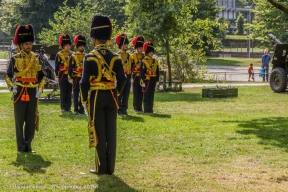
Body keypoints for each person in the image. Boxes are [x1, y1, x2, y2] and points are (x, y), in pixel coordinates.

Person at [80, 14, 126, 175]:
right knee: (111, 133)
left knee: (98, 131)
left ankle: (101, 167)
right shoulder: (116, 57)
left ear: (94, 39)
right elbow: (123, 79)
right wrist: (116, 92)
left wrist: (84, 99)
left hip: (97, 96)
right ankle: (111, 168)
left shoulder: (89, 57)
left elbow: (83, 82)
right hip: (112, 96)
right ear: (108, 39)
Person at [5, 24, 46, 154]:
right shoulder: (14, 58)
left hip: (33, 90)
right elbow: (8, 75)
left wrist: (41, 87)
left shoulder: (37, 57)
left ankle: (28, 145)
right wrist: (11, 87)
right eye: (26, 43)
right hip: (20, 90)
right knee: (19, 120)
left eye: (30, 43)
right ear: (21, 44)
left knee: (30, 119)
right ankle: (21, 147)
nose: (29, 46)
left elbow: (42, 76)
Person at [55, 34, 73, 112]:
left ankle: (68, 106)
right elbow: (56, 66)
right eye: (66, 45)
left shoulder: (72, 54)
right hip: (62, 74)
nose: (68, 47)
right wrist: (56, 75)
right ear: (63, 46)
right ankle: (63, 106)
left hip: (70, 75)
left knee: (69, 91)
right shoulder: (59, 55)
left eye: (69, 45)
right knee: (63, 91)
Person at [68, 34, 86, 115]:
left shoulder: (86, 56)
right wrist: (72, 76)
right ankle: (75, 109)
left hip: (84, 77)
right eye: (80, 46)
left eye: (83, 46)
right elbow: (70, 68)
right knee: (75, 94)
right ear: (77, 47)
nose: (82, 47)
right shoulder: (73, 56)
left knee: (83, 93)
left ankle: (81, 108)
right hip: (76, 77)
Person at [140, 42, 159, 113]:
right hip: (146, 79)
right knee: (146, 94)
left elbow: (157, 72)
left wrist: (157, 80)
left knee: (151, 95)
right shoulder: (144, 61)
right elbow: (141, 72)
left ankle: (150, 109)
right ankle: (146, 109)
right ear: (147, 52)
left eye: (152, 52)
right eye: (150, 52)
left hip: (153, 79)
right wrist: (142, 81)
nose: (152, 54)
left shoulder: (155, 61)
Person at [115, 34, 132, 115]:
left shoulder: (129, 56)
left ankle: (124, 109)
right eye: (124, 44)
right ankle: (119, 109)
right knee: (119, 93)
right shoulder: (117, 55)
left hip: (128, 76)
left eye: (126, 44)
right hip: (120, 77)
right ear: (120, 45)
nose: (126, 46)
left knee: (126, 93)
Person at [131, 36, 145, 112]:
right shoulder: (132, 56)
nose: (141, 49)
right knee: (136, 92)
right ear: (136, 48)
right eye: (140, 48)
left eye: (142, 48)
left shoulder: (145, 56)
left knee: (142, 91)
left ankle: (140, 107)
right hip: (136, 76)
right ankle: (136, 107)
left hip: (142, 77)